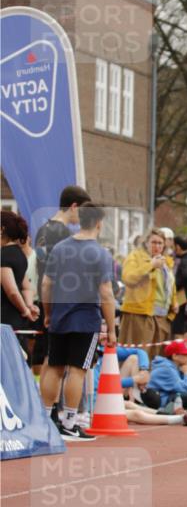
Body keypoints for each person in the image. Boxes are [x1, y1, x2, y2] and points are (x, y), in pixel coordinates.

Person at [40, 203, 115, 441]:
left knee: (54, 367)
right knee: (77, 370)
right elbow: (106, 293)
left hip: (60, 315)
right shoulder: (101, 254)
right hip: (85, 318)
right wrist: (111, 328)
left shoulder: (61, 248)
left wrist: (48, 312)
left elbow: (46, 284)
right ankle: (70, 423)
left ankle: (45, 419)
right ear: (99, 223)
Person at [31, 184, 92, 373]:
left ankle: (43, 399)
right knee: (57, 359)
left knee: (43, 351)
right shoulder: (64, 234)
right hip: (60, 300)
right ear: (74, 206)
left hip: (44, 296)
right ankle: (52, 401)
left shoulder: (43, 229)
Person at [119, 229, 178, 355]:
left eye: (160, 243)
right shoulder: (135, 256)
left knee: (156, 358)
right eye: (153, 242)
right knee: (138, 357)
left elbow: (170, 285)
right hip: (140, 315)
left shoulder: (166, 261)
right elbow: (128, 278)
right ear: (146, 243)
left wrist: (174, 302)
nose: (157, 246)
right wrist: (151, 265)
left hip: (162, 317)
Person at [1, 211, 39, 352]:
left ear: (2, 229)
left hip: (4, 322)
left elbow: (12, 291)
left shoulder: (3, 256)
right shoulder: (20, 254)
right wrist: (28, 305)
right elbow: (27, 287)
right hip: (17, 321)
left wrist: (25, 311)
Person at [145, 338, 187, 409]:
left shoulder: (177, 367)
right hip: (157, 402)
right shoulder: (166, 369)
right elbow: (186, 390)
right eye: (186, 354)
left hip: (167, 398)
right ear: (174, 356)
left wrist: (186, 373)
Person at [172, 235, 187, 334]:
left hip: (182, 295)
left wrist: (175, 284)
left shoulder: (185, 260)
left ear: (177, 247)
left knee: (178, 324)